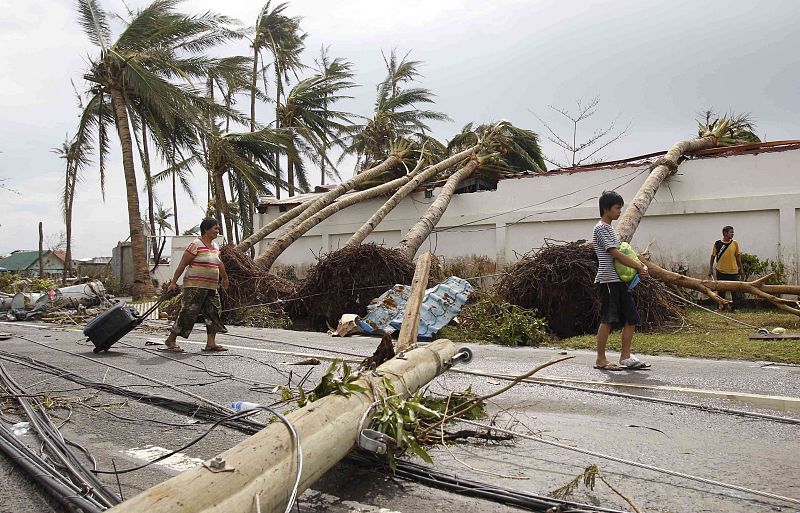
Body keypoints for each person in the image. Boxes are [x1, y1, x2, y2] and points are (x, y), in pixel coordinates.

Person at [592, 191, 651, 371]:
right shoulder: (601, 228)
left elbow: (624, 253)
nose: (619, 212)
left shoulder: (610, 229)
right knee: (608, 320)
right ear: (606, 209)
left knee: (631, 317)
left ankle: (625, 356)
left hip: (618, 281)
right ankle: (600, 359)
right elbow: (615, 254)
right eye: (617, 208)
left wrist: (640, 266)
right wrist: (639, 267)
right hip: (608, 280)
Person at [162, 218, 230, 353]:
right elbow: (182, 264)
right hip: (194, 286)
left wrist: (225, 278)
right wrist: (173, 282)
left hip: (211, 286)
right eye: (215, 228)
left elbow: (219, 264)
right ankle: (171, 339)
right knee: (188, 312)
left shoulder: (215, 247)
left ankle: (211, 343)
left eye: (218, 229)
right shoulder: (195, 244)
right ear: (206, 229)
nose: (218, 231)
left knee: (214, 312)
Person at [708, 225, 745, 312]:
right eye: (731, 232)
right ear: (725, 233)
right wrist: (710, 268)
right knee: (721, 291)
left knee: (734, 291)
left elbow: (738, 256)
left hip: (733, 271)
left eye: (733, 232)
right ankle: (720, 307)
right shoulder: (717, 243)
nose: (732, 234)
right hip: (721, 270)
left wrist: (741, 268)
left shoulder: (735, 243)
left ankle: (735, 308)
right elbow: (713, 256)